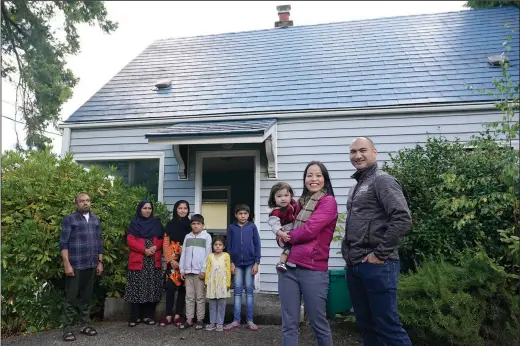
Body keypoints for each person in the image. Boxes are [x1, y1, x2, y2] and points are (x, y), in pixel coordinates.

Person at [341, 137, 413, 346]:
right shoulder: (357, 186)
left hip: (379, 265)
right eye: (353, 152)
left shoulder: (382, 181)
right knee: (366, 326)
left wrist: (379, 254)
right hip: (356, 264)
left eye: (363, 150)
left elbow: (402, 218)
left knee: (388, 327)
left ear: (375, 153)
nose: (357, 155)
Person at [278, 161, 338, 346]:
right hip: (288, 269)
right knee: (289, 323)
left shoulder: (328, 202)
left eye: (318, 175)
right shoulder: (298, 205)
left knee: (318, 321)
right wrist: (281, 236)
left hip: (313, 269)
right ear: (304, 179)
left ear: (325, 179)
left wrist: (286, 237)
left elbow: (310, 230)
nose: (314, 179)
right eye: (309, 175)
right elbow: (283, 229)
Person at [60, 192, 104, 342]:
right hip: (75, 265)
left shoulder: (95, 219)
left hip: (91, 264)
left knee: (86, 297)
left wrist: (100, 262)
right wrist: (67, 264)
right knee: (71, 298)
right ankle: (67, 329)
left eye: (87, 200)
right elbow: (63, 243)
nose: (85, 203)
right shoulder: (70, 219)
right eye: (82, 201)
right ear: (76, 204)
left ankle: (84, 325)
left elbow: (99, 242)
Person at [124, 200, 164, 327]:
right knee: (137, 288)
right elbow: (130, 240)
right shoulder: (134, 223)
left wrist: (153, 248)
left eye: (149, 208)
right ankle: (135, 317)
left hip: (153, 261)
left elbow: (163, 239)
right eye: (145, 208)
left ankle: (148, 316)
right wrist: (144, 250)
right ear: (140, 209)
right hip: (139, 260)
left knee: (151, 288)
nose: (147, 210)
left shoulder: (156, 223)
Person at [224, 204, 261, 332]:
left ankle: (250, 320)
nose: (243, 216)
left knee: (250, 292)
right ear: (236, 215)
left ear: (248, 215)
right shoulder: (231, 228)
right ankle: (236, 320)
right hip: (237, 264)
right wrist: (231, 263)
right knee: (238, 292)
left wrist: (257, 262)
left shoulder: (252, 227)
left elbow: (257, 244)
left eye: (245, 213)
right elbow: (228, 246)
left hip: (250, 263)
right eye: (240, 213)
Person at [159, 200, 191, 327]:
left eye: (185, 208)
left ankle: (178, 315)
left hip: (187, 261)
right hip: (172, 261)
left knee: (183, 289)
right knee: (170, 288)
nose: (182, 210)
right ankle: (168, 315)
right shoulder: (170, 224)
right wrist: (170, 260)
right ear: (176, 209)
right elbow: (165, 244)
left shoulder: (190, 225)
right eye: (180, 208)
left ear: (188, 210)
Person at [179, 214, 212, 330]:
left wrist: (203, 270)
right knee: (189, 297)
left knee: (200, 297)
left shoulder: (207, 237)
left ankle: (200, 320)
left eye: (198, 224)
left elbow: (208, 255)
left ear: (203, 225)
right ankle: (189, 319)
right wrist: (182, 269)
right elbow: (183, 254)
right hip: (188, 272)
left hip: (200, 273)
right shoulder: (187, 236)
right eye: (193, 224)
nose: (196, 226)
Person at [267, 181, 297, 273]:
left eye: (286, 195)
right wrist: (282, 234)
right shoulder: (275, 212)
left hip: (293, 230)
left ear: (290, 196)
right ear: (274, 198)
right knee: (289, 247)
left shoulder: (293, 205)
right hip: (282, 235)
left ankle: (293, 260)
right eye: (279, 196)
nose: (283, 198)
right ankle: (282, 262)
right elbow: (275, 226)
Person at [204, 236, 231, 332]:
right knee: (212, 304)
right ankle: (212, 323)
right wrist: (206, 282)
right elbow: (207, 270)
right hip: (212, 284)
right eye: (215, 244)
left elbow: (228, 270)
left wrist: (228, 283)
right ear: (213, 246)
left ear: (223, 246)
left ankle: (220, 323)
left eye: (220, 245)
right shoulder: (210, 256)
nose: (218, 246)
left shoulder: (226, 256)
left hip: (223, 283)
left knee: (221, 304)